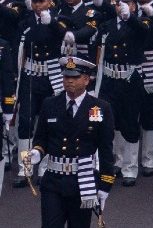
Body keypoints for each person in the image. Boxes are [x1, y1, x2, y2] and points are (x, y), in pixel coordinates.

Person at [18, 55, 116, 228]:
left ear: (86, 80)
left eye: (75, 77)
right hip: (53, 181)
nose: (69, 81)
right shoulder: (50, 104)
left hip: (82, 181)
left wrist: (105, 185)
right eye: (66, 76)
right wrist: (36, 152)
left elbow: (106, 149)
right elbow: (41, 138)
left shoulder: (99, 108)